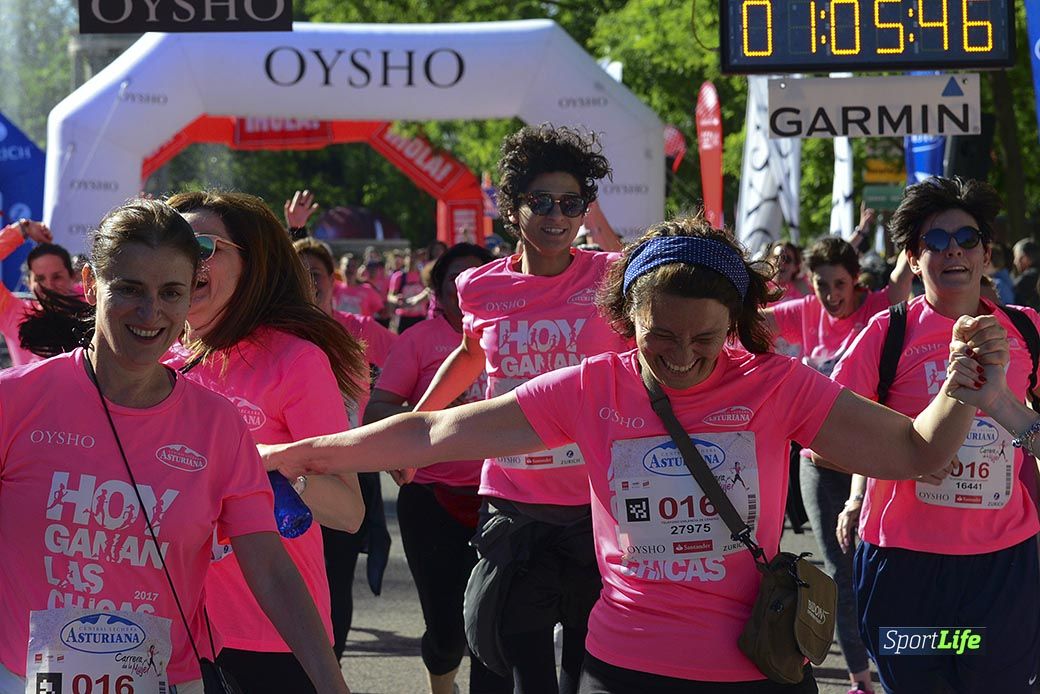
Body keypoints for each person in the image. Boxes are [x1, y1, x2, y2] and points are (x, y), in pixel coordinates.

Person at [260, 214, 1001, 693]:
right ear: (624, 320)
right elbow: (434, 432)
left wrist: (960, 386)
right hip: (624, 667)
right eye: (660, 337)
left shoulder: (778, 385)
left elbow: (911, 452)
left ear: (737, 322)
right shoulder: (593, 387)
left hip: (759, 665)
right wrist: (302, 452)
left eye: (706, 338)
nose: (683, 358)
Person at [0, 199, 348, 694]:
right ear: (91, 284)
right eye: (129, 289)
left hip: (166, 682)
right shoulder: (15, 401)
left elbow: (269, 567)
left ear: (188, 300)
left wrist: (331, 683)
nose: (150, 312)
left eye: (171, 293)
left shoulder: (217, 425)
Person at [410, 124, 632, 694]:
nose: (556, 215)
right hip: (514, 505)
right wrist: (417, 431)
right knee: (523, 670)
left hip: (597, 506)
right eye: (540, 202)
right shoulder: (478, 288)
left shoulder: (613, 278)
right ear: (512, 209)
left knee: (586, 673)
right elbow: (467, 355)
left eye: (570, 203)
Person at [832, 176, 1040, 693]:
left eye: (967, 239)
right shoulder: (886, 333)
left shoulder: (1027, 330)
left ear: (987, 254)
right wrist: (907, 454)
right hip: (905, 569)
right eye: (936, 241)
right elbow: (823, 440)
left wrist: (1003, 405)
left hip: (1001, 568)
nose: (955, 252)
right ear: (912, 257)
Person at [164, 191, 367, 694]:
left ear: (251, 264)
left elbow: (347, 511)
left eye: (204, 245)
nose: (189, 259)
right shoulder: (154, 360)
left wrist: (264, 465)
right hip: (167, 626)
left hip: (268, 628)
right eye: (175, 244)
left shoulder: (295, 361)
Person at [760, 235, 913, 694]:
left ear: (857, 281)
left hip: (871, 461)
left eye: (840, 284)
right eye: (823, 284)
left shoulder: (878, 309)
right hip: (821, 466)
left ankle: (896, 664)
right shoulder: (805, 312)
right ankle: (859, 679)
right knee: (839, 574)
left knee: (884, 568)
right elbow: (745, 322)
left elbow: (905, 276)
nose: (831, 295)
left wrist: (914, 228)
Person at [365, 243, 511, 694]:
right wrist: (436, 416)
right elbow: (376, 411)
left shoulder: (516, 332)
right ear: (439, 291)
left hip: (506, 498)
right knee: (448, 632)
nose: (465, 288)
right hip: (432, 502)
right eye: (455, 280)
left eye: (477, 277)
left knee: (495, 628)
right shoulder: (418, 341)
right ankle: (442, 683)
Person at [294, 235, 397, 659]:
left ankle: (330, 666)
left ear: (332, 280)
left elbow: (410, 370)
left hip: (347, 471)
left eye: (314, 274)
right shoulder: (269, 333)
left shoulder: (357, 330)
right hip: (289, 473)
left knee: (337, 579)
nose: (306, 282)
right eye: (295, 273)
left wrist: (391, 430)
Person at [0, 219, 80, 366]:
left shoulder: (91, 305)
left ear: (73, 277)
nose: (49, 286)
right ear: (29, 283)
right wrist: (23, 229)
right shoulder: (11, 311)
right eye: (40, 279)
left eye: (57, 277)